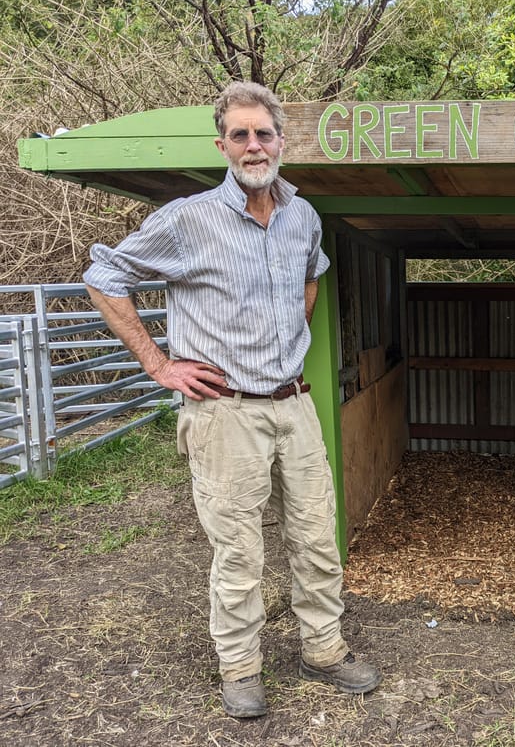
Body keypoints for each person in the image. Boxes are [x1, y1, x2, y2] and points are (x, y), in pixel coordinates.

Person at [84, 81, 381, 719]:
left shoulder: (303, 215)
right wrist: (159, 364)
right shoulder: (189, 218)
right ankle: (241, 666)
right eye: (240, 135)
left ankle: (323, 650)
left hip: (293, 403)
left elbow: (313, 276)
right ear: (222, 145)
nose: (254, 145)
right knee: (239, 548)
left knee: (315, 536)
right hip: (225, 410)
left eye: (264, 133)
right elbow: (105, 274)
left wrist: (290, 344)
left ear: (281, 141)